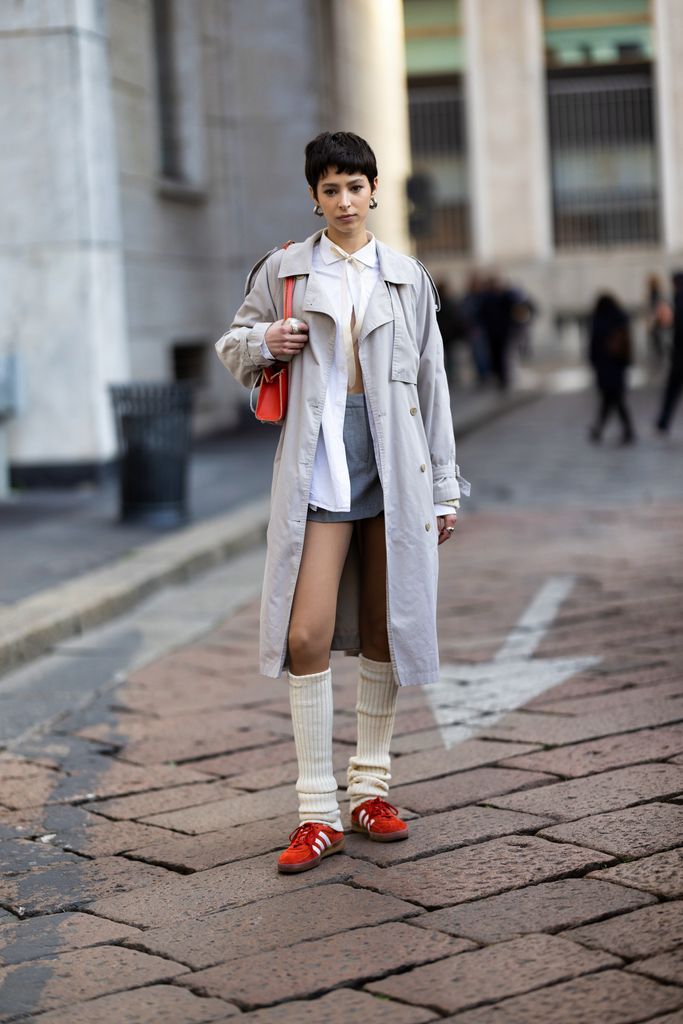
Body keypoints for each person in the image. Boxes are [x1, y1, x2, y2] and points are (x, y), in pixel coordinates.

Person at [215, 131, 468, 875]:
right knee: (306, 634)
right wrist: (267, 338)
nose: (346, 200)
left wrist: (446, 487)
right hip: (321, 466)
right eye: (331, 189)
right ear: (315, 197)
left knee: (386, 627)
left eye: (356, 186)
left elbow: (432, 385)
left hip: (396, 467)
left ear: (375, 190)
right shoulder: (286, 269)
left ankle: (370, 788)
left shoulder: (405, 276)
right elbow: (233, 347)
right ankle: (315, 809)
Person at [587, 293, 635, 445]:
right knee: (613, 399)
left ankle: (605, 429)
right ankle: (603, 429)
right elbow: (627, 343)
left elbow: (593, 344)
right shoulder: (621, 317)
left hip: (604, 365)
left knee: (613, 399)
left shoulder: (599, 319)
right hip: (617, 365)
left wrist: (593, 361)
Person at [655, 271, 683, 435]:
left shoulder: (678, 299)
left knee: (672, 391)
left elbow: (674, 325)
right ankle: (663, 422)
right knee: (672, 391)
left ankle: (663, 422)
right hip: (678, 354)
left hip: (679, 355)